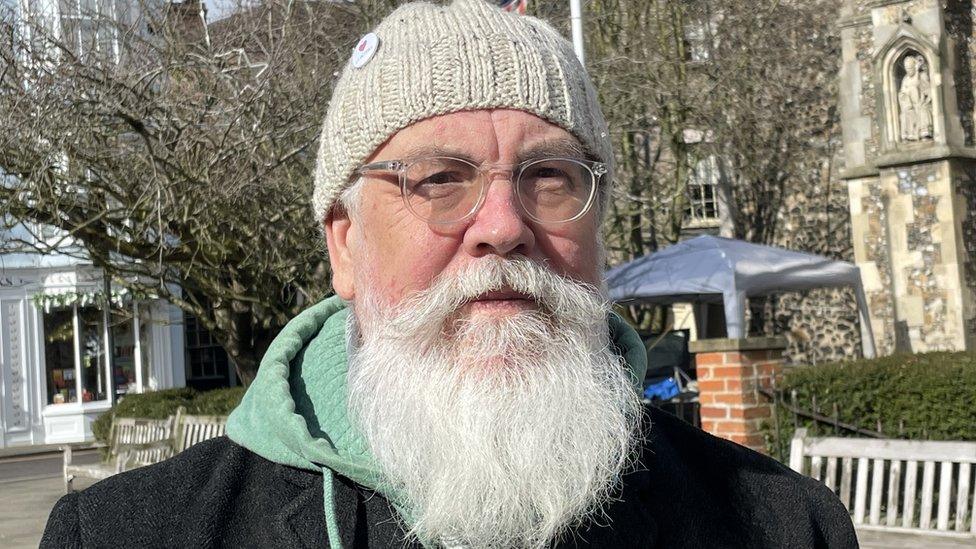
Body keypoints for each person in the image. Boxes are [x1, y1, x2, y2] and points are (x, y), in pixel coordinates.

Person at [41, 1, 857, 547]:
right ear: (344, 244)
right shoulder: (125, 532)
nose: (502, 226)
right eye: (438, 180)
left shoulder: (785, 526)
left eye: (551, 176)